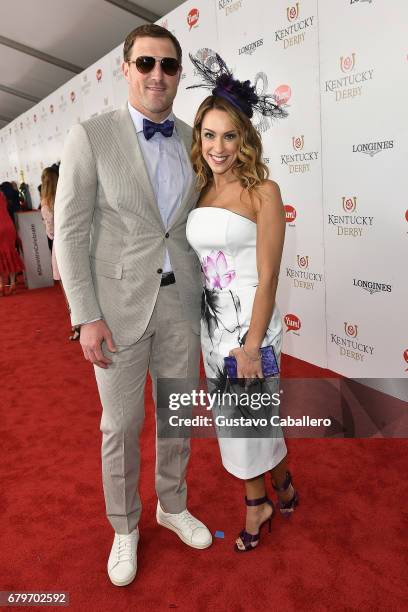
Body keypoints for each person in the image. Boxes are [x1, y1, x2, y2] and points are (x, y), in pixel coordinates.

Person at [54, 24, 211, 587]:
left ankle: (172, 504)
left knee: (176, 416)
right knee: (120, 424)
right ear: (125, 69)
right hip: (115, 306)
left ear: (177, 75)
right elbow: (69, 233)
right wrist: (84, 315)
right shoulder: (91, 136)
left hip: (180, 302)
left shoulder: (195, 138)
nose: (157, 76)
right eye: (146, 64)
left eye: (168, 66)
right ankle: (124, 527)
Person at [186, 54, 299, 552]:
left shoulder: (264, 193)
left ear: (245, 140)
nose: (217, 147)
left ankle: (258, 505)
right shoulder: (199, 193)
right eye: (209, 135)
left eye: (228, 136)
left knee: (244, 419)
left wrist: (252, 345)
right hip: (213, 325)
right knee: (244, 418)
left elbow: (269, 276)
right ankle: (284, 481)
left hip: (254, 326)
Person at [40, 167, 80, 341]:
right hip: (79, 243)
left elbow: (50, 233)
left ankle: (77, 327)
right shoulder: (69, 195)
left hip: (61, 246)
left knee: (68, 291)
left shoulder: (46, 204)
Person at [0, 191, 24, 296]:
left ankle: (1, 285)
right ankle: (13, 283)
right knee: (11, 253)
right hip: (9, 225)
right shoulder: (1, 193)